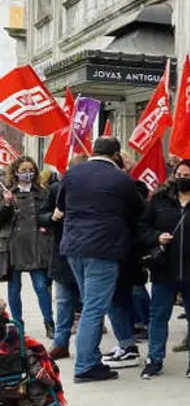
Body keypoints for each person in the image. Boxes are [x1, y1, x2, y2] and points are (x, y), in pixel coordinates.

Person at [57, 137, 146, 383]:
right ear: (116, 154)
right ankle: (85, 365)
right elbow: (137, 210)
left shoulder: (72, 173)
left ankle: (91, 358)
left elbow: (62, 205)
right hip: (103, 248)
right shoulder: (120, 178)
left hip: (73, 247)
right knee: (94, 309)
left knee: (89, 305)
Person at [138, 159, 190, 379]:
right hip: (165, 269)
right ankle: (154, 359)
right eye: (179, 173)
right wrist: (156, 237)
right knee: (158, 315)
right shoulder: (160, 199)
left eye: (188, 175)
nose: (183, 178)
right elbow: (143, 228)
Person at [1, 156, 54, 336]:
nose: (27, 173)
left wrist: (45, 225)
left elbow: (48, 214)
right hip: (14, 245)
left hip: (36, 245)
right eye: (23, 170)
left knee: (41, 286)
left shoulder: (42, 192)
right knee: (14, 288)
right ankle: (17, 325)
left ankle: (49, 322)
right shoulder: (7, 192)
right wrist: (7, 204)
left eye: (30, 169)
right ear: (15, 172)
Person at [38, 159, 78, 361]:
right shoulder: (56, 189)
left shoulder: (91, 191)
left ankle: (88, 348)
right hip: (62, 252)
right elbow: (41, 216)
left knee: (88, 303)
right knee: (63, 301)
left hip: (85, 252)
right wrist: (51, 216)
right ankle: (61, 343)